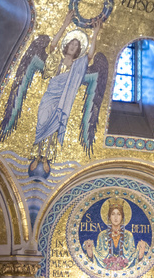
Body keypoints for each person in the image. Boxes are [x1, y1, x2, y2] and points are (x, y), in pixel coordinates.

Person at [30, 11, 104, 170]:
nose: (73, 46)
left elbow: (90, 55)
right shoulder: (56, 58)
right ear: (67, 45)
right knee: (42, 121)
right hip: (50, 96)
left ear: (78, 50)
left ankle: (45, 157)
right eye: (71, 44)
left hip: (63, 99)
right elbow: (53, 45)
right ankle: (36, 153)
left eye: (76, 46)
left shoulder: (78, 65)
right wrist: (64, 24)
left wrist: (95, 34)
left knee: (54, 127)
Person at [83, 198, 149, 271]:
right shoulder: (102, 235)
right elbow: (98, 257)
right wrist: (90, 252)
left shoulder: (128, 235)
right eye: (113, 214)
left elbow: (132, 257)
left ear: (122, 217)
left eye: (119, 214)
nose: (116, 217)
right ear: (109, 217)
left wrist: (140, 252)